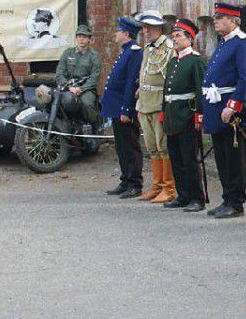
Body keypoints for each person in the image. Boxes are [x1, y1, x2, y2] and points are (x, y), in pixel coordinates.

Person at [201, 3, 246, 219]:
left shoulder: (242, 43)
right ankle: (227, 198)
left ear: (233, 21)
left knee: (234, 157)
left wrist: (234, 105)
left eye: (220, 17)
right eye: (215, 17)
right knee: (222, 156)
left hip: (229, 108)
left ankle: (236, 201)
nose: (215, 21)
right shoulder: (224, 43)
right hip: (216, 105)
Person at [162, 19, 208, 212]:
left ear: (189, 39)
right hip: (173, 114)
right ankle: (183, 195)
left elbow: (200, 89)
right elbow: (167, 89)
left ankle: (197, 197)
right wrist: (164, 113)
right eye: (173, 36)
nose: (175, 39)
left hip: (187, 115)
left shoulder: (196, 60)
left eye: (179, 36)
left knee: (189, 158)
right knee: (176, 157)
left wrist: (199, 114)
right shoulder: (173, 61)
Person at [135, 11, 176, 204]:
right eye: (144, 27)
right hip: (145, 102)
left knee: (163, 147)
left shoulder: (169, 48)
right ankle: (157, 186)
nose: (146, 31)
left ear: (159, 28)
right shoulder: (148, 49)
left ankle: (169, 188)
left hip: (159, 102)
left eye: (149, 27)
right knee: (152, 148)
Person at [103, 16, 144, 198]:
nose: (115, 34)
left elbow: (131, 83)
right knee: (121, 146)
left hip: (124, 107)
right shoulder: (126, 51)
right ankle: (126, 179)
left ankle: (135, 182)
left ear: (126, 34)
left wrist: (127, 109)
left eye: (118, 31)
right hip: (116, 107)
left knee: (130, 145)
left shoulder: (134, 52)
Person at [55, 24, 101, 126]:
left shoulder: (94, 56)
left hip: (86, 89)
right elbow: (59, 74)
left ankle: (92, 129)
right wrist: (70, 88)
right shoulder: (67, 53)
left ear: (89, 39)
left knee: (86, 103)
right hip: (68, 87)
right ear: (76, 38)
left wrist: (81, 89)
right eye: (79, 36)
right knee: (57, 102)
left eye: (84, 37)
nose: (82, 39)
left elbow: (94, 77)